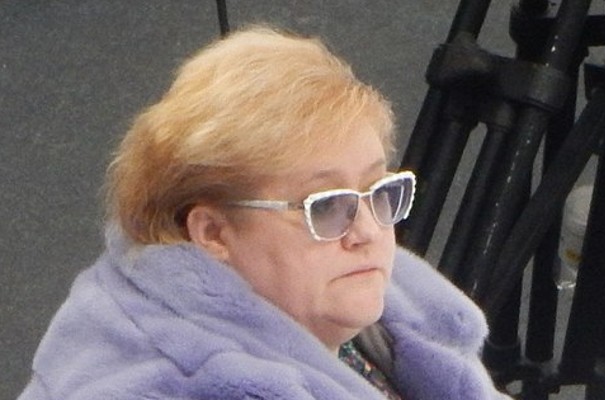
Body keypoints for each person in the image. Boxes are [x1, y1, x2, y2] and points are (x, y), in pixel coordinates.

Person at [19, 26, 510, 400]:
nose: (367, 229)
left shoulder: (363, 319)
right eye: (326, 206)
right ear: (213, 232)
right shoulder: (162, 381)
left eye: (376, 190)